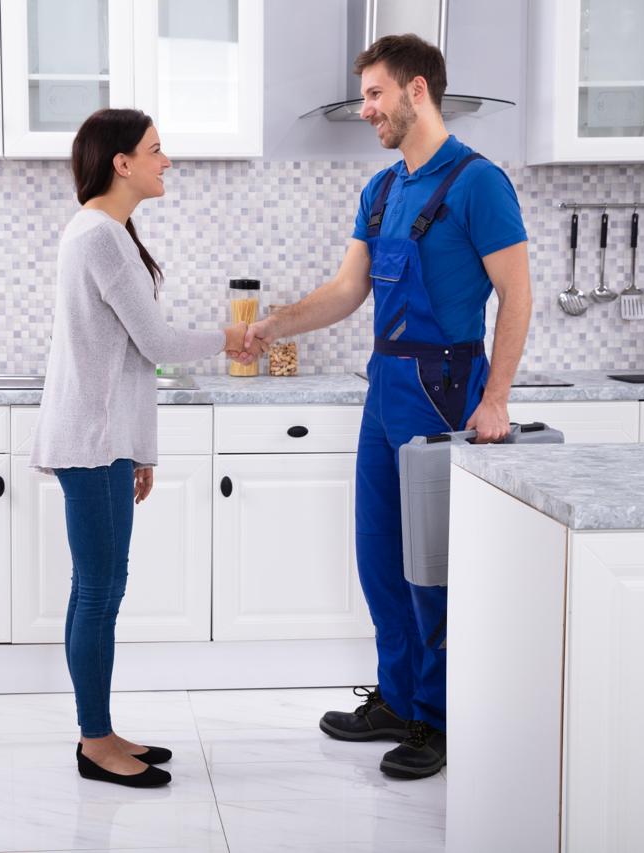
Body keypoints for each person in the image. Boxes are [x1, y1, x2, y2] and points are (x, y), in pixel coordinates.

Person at [243, 34, 532, 780]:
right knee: (379, 556)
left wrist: (495, 398)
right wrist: (275, 322)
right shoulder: (380, 191)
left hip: (446, 391)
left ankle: (439, 718)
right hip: (386, 388)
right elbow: (347, 292)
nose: (366, 107)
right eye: (365, 94)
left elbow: (518, 296)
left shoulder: (479, 183)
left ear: (417, 91)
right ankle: (400, 699)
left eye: (375, 93)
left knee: (431, 568)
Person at [29, 108, 258, 789]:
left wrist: (143, 449)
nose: (167, 162)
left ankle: (99, 728)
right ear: (121, 162)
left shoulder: (109, 233)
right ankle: (95, 741)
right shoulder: (99, 236)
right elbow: (156, 346)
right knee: (98, 590)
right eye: (156, 151)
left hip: (106, 439)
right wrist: (232, 336)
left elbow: (127, 359)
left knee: (99, 587)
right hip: (94, 442)